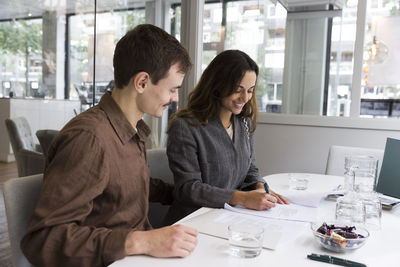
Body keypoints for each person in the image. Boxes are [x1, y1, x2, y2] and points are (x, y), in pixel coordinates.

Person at [20, 24, 198, 267]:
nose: (175, 98)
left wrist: (187, 193)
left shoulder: (131, 130)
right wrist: (141, 242)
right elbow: (43, 240)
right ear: (142, 82)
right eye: (173, 89)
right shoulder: (89, 139)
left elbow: (127, 184)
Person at [165, 50, 289, 224]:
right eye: (238, 90)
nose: (245, 98)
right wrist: (244, 198)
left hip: (231, 218)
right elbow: (188, 189)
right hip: (193, 222)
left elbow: (250, 169)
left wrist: (260, 188)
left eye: (250, 90)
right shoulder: (185, 127)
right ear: (217, 84)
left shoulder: (243, 123)